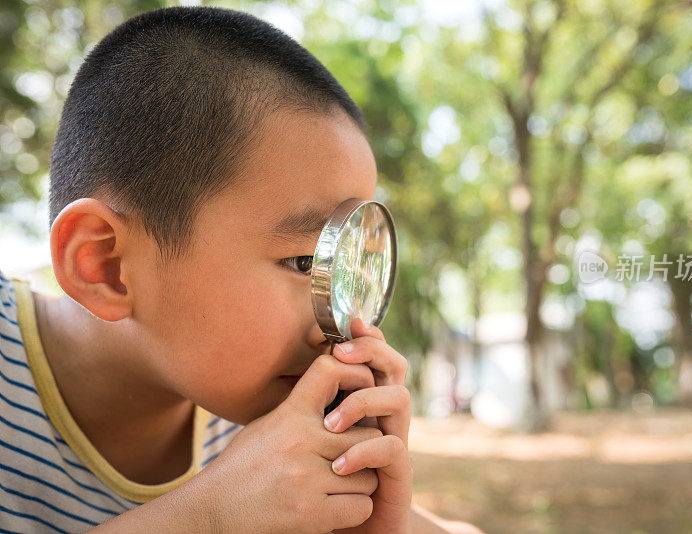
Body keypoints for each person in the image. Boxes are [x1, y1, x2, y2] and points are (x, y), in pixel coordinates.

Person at [0, 6, 482, 533]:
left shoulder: (267, 427)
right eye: (305, 262)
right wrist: (207, 519)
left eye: (346, 267)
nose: (343, 323)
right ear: (106, 265)